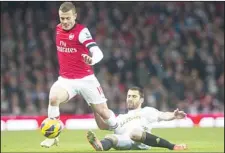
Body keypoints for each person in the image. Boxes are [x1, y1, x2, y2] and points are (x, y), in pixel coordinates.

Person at [41, 2, 118, 147]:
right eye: (62, 18)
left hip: (86, 80)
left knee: (103, 114)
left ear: (75, 16)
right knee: (53, 98)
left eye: (67, 18)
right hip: (66, 80)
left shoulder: (82, 32)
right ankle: (53, 136)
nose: (64, 22)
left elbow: (97, 51)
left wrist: (92, 60)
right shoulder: (57, 29)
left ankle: (120, 132)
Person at [87, 86, 188, 151]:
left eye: (134, 96)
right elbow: (102, 126)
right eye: (129, 96)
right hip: (126, 142)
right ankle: (100, 146)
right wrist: (96, 111)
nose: (130, 98)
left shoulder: (147, 111)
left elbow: (163, 115)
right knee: (111, 137)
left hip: (141, 141)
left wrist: (173, 115)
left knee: (135, 133)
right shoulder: (121, 118)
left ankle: (172, 146)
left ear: (141, 100)